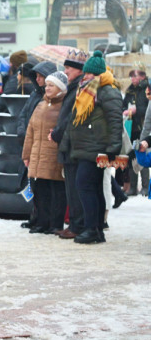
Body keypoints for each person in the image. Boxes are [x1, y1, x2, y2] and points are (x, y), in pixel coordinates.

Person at [62, 51, 123, 244]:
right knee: (93, 188)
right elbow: (74, 121)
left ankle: (91, 228)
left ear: (97, 74)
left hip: (97, 147)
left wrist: (113, 147)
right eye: (85, 73)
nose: (85, 76)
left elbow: (115, 121)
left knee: (85, 186)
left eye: (89, 74)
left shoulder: (107, 91)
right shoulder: (87, 91)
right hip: (86, 147)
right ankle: (96, 230)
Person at [23, 71, 68, 234]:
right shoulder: (41, 104)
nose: (47, 88)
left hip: (54, 156)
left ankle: (55, 224)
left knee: (56, 192)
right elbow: (30, 131)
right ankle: (41, 222)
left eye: (51, 85)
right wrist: (26, 155)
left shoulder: (64, 105)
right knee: (41, 191)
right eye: (47, 85)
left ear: (60, 88)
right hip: (37, 155)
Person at [50, 49, 89, 239]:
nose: (66, 72)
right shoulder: (73, 87)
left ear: (79, 70)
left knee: (75, 188)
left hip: (73, 143)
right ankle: (74, 223)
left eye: (68, 69)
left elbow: (69, 118)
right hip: (68, 142)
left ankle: (77, 225)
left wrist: (57, 133)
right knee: (71, 187)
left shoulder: (79, 88)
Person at [124, 68, 149, 195]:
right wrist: (125, 110)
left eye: (135, 76)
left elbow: (148, 109)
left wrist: (136, 110)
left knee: (142, 155)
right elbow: (124, 104)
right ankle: (133, 187)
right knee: (132, 157)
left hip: (142, 128)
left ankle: (145, 186)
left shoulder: (146, 89)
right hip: (131, 128)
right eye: (131, 76)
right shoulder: (130, 90)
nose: (133, 79)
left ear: (142, 76)